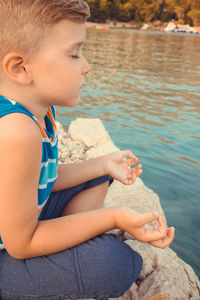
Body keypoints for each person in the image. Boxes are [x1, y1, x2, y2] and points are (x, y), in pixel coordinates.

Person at [0, 0, 175, 299]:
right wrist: (114, 217)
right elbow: (20, 244)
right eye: (74, 54)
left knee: (98, 173)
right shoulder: (16, 130)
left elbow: (45, 177)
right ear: (20, 67)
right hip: (11, 247)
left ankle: (63, 239)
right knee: (116, 264)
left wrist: (103, 165)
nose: (87, 66)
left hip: (22, 222)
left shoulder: (41, 108)